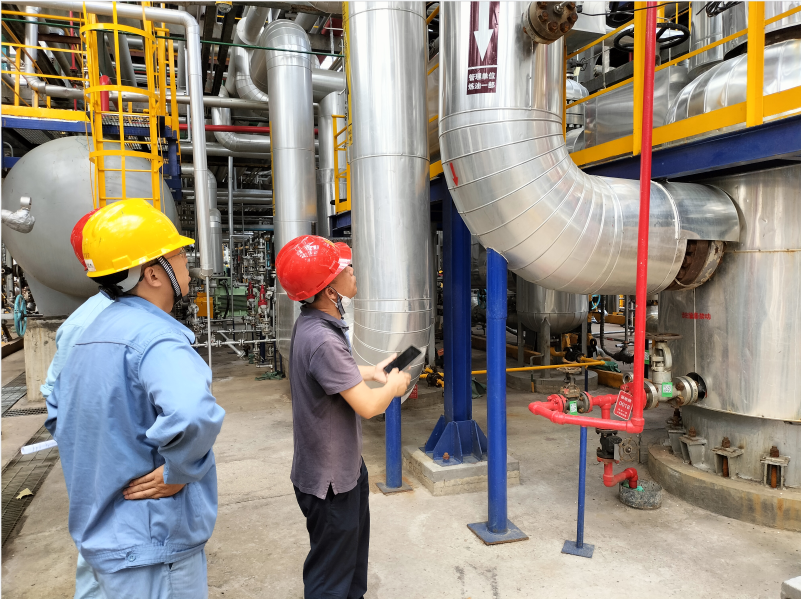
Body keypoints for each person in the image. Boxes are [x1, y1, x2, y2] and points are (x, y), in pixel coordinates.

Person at [45, 199, 225, 598]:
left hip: (107, 536)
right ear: (153, 273)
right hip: (153, 545)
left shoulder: (91, 332)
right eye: (178, 255)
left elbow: (57, 412)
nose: (188, 264)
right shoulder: (156, 337)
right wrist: (179, 469)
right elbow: (193, 412)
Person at [276, 235, 411, 599]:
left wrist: (372, 372)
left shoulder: (312, 323)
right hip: (330, 483)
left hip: (340, 469)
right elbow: (368, 406)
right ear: (329, 290)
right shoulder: (323, 339)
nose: (352, 270)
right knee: (330, 580)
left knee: (349, 568)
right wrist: (394, 386)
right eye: (343, 268)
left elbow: (333, 373)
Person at [40, 209, 112, 599]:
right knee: (102, 549)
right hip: (109, 467)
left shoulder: (119, 315)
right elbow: (57, 399)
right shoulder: (89, 325)